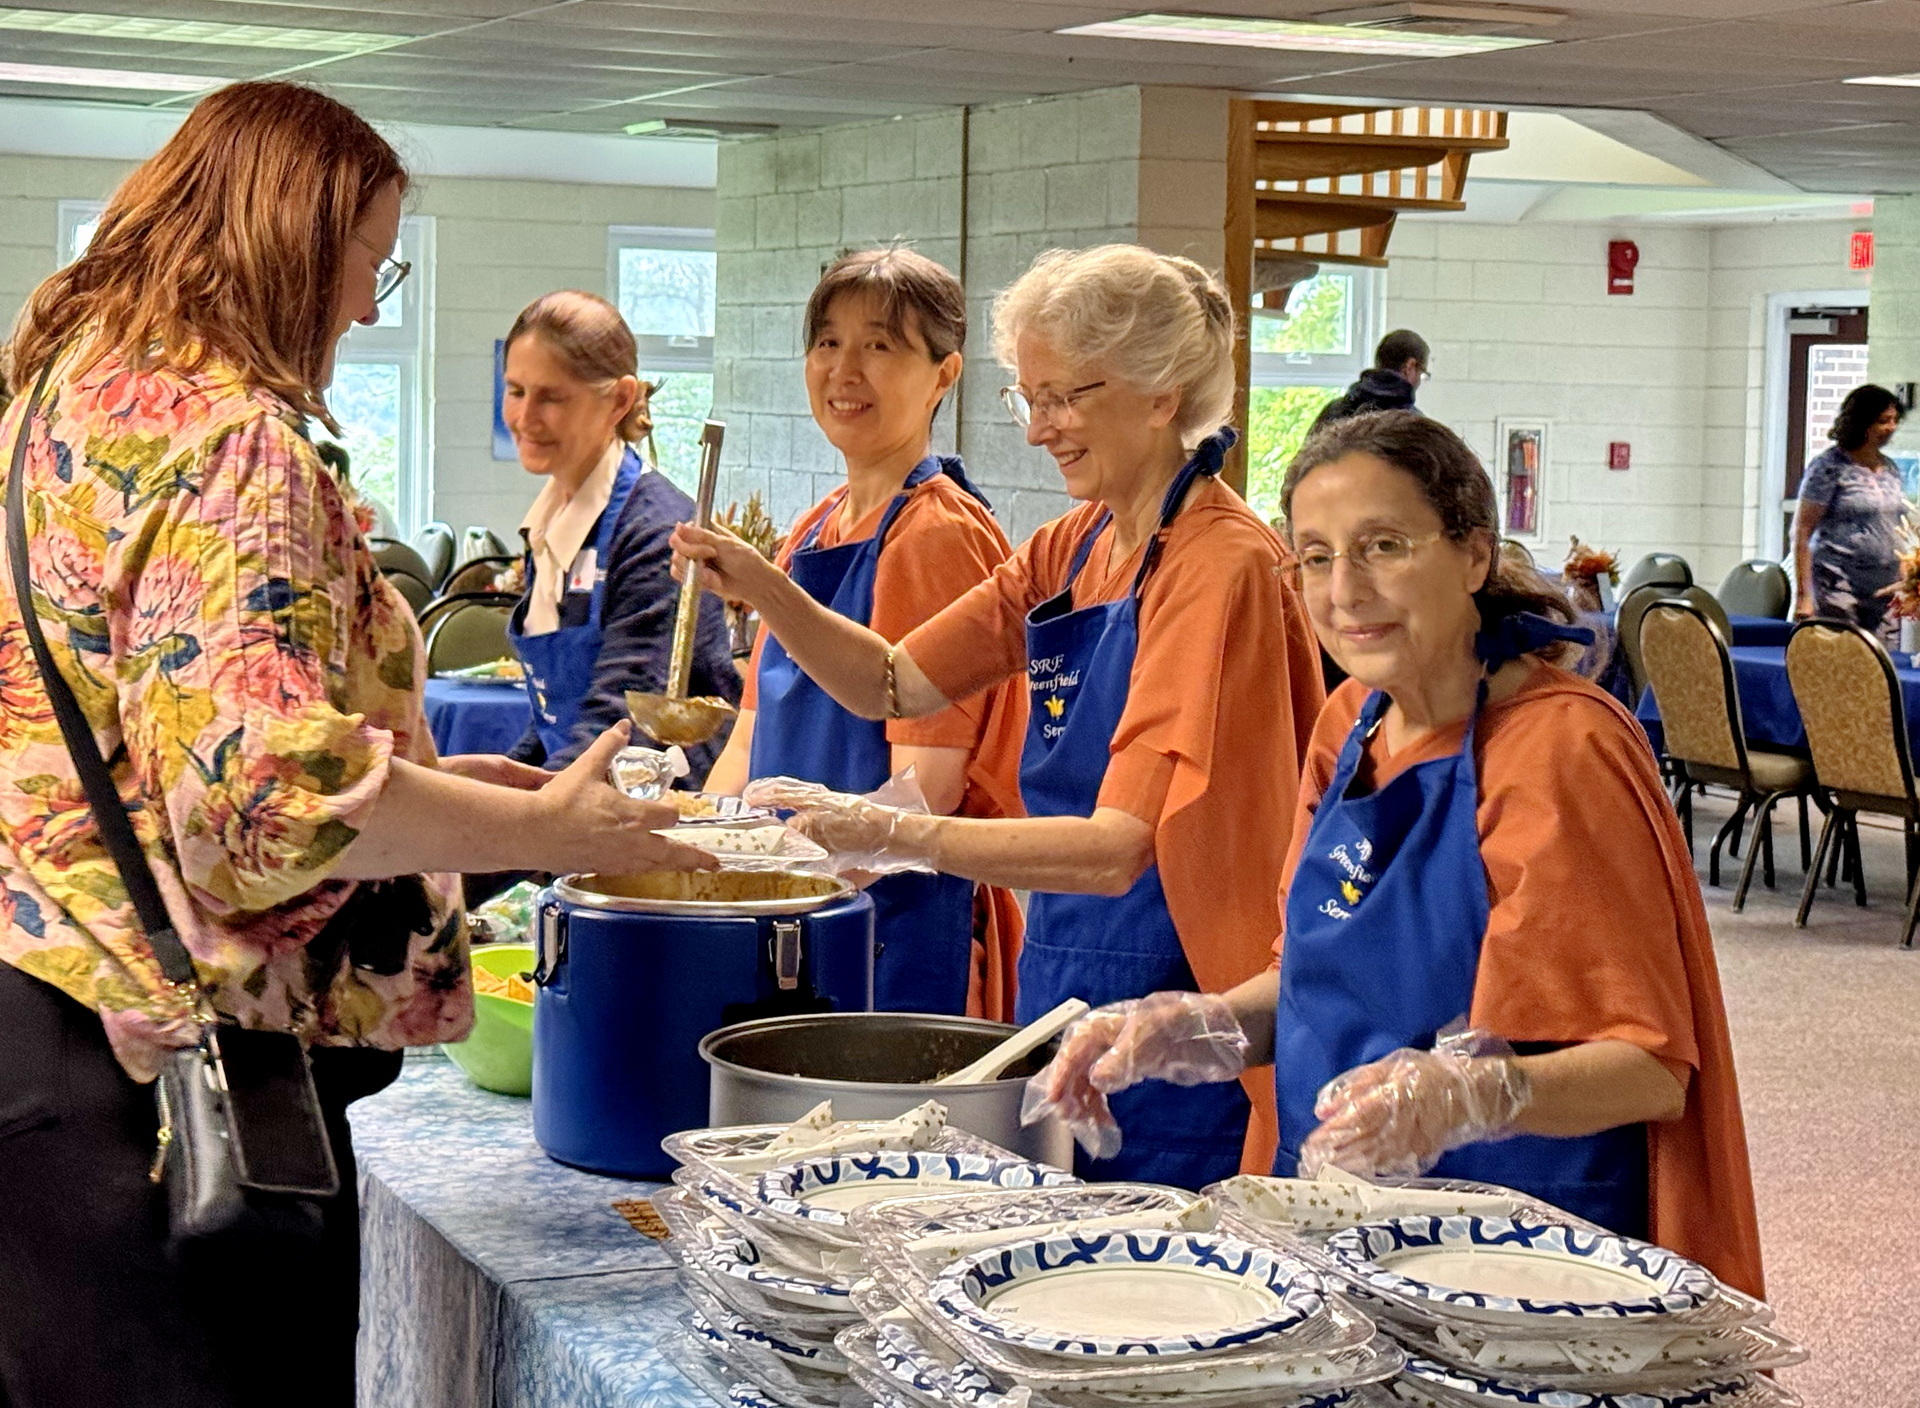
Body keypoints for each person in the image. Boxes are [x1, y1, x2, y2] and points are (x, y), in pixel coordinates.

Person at [0, 82, 708, 1408]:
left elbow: (138, 741)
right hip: (166, 1070)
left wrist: (439, 798)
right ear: (287, 237)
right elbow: (256, 805)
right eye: (367, 261)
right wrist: (543, 836)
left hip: (39, 1013)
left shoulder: (66, 398)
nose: (370, 306)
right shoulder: (237, 448)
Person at [1026, 411, 1764, 1298]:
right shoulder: (1349, 726)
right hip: (1333, 1223)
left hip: (1511, 1252)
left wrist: (1471, 1097)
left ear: (1473, 556)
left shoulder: (1558, 749)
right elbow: (1304, 983)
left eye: (1384, 546)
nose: (1346, 590)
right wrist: (1193, 1026)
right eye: (1317, 556)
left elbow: (1648, 1071)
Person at [675, 245, 1326, 1188]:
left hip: (1186, 992)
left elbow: (1115, 848)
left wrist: (896, 832)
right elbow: (894, 682)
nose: (1038, 431)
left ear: (1160, 393)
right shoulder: (1078, 542)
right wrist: (764, 588)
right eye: (1031, 400)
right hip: (1067, 971)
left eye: (1063, 399)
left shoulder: (1218, 564)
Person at [703, 248, 1028, 1018]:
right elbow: (750, 743)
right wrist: (703, 852)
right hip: (800, 908)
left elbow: (924, 793)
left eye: (880, 346)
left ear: (944, 375)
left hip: (899, 928)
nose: (845, 371)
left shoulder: (935, 535)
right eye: (828, 343)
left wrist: (773, 871)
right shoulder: (811, 533)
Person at [501, 291, 740, 783]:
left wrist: (520, 824)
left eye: (551, 397)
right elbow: (556, 713)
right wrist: (505, 782)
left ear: (620, 399)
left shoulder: (655, 536)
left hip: (658, 800)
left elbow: (619, 721)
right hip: (582, 785)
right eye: (516, 391)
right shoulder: (550, 525)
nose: (525, 418)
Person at [1793, 382, 1908, 640]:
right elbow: (1802, 531)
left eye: (1894, 420)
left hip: (1884, 589)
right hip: (1839, 586)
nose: (1891, 428)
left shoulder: (1890, 468)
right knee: (1843, 662)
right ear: (1862, 423)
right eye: (1882, 421)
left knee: (1882, 667)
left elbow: (1894, 526)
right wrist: (1804, 596)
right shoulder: (1830, 467)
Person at [1309, 328, 1429, 432]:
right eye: (1421, 373)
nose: (1419, 381)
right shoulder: (1416, 427)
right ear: (1410, 366)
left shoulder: (1333, 412)